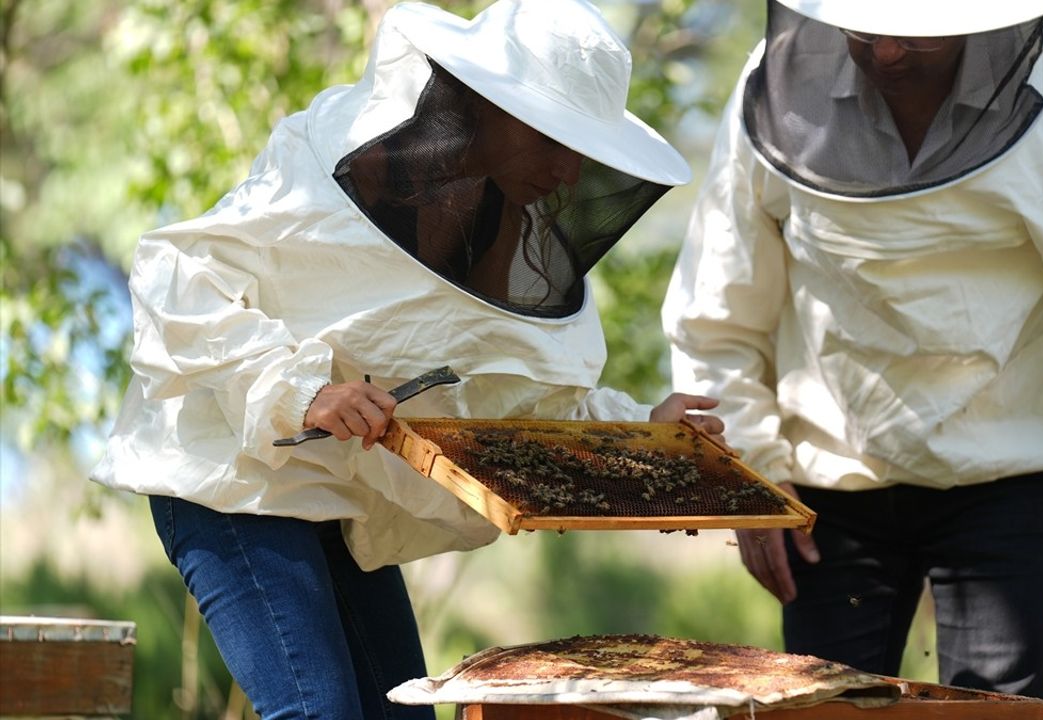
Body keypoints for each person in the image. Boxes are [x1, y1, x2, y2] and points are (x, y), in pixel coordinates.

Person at [91, 1, 724, 717]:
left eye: (582, 148)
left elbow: (533, 402)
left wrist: (647, 432)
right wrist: (299, 390)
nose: (568, 168)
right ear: (489, 106)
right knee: (316, 711)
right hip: (232, 479)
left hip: (340, 501)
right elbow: (179, 274)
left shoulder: (510, 231)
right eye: (554, 138)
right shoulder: (329, 165)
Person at [661, 0, 1043, 702]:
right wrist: (748, 469)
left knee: (996, 712)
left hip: (1008, 478)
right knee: (820, 715)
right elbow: (719, 309)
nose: (889, 52)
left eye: (915, 34)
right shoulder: (774, 84)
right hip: (827, 489)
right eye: (865, 29)